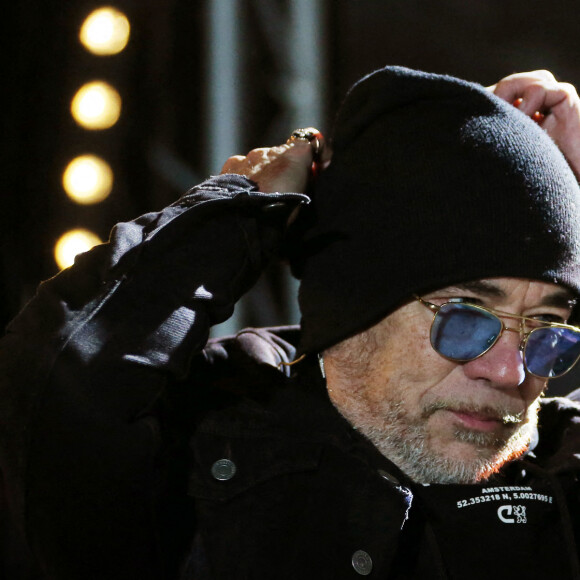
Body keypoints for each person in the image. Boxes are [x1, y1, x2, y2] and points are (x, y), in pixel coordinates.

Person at [2, 66, 580, 579]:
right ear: (355, 309)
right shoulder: (198, 445)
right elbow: (62, 386)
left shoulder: (561, 461)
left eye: (547, 332)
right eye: (465, 319)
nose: (510, 372)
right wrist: (233, 214)